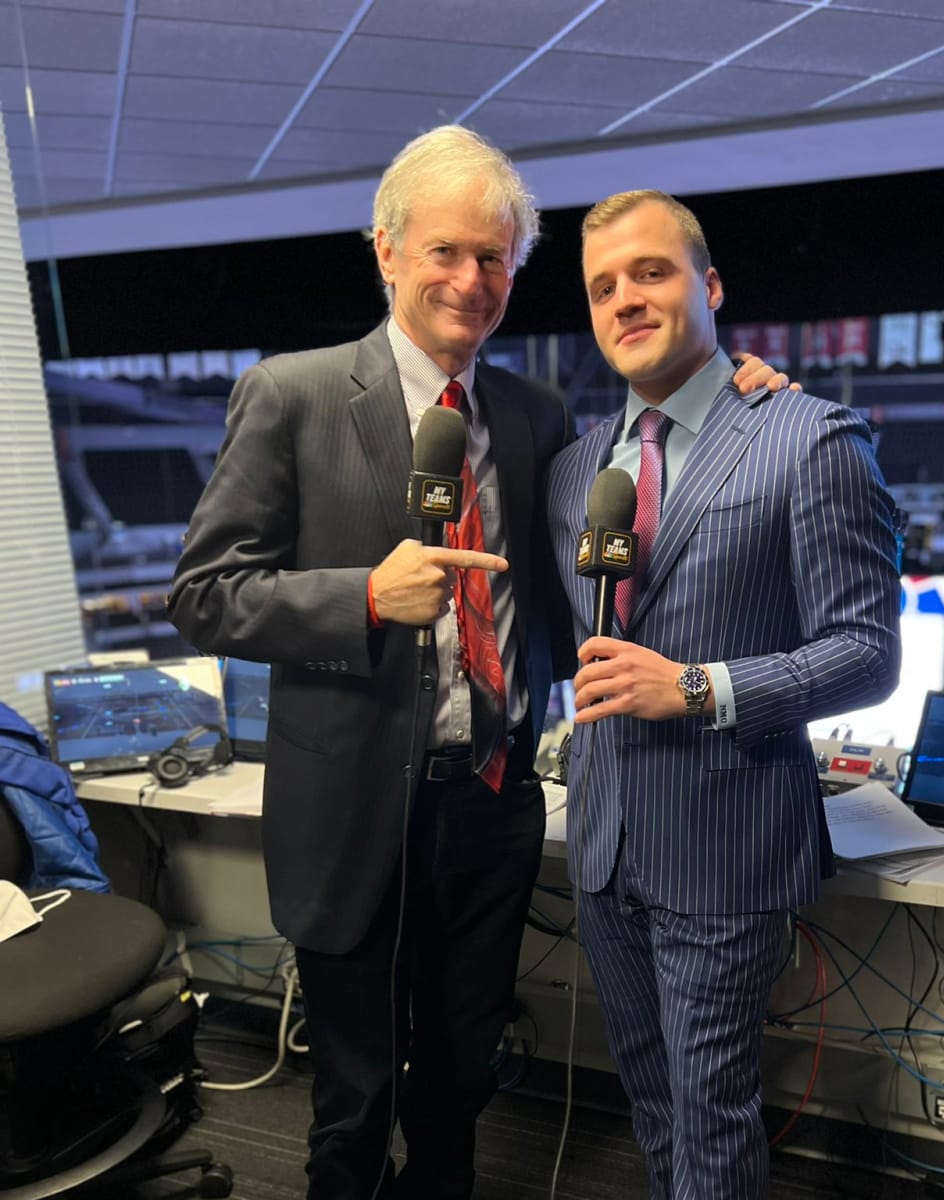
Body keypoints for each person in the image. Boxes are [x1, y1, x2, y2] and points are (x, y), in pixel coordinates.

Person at [168, 129, 792, 1200]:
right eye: (447, 252)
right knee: (353, 1102)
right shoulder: (293, 395)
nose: (470, 280)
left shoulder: (536, 415)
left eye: (494, 259)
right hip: (353, 812)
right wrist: (362, 595)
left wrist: (733, 390)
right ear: (388, 254)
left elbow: (604, 522)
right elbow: (204, 593)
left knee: (459, 1087)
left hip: (489, 807)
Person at [546, 190, 902, 1199]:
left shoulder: (810, 438)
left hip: (725, 846)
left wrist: (698, 688)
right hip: (605, 841)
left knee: (710, 1115)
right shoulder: (577, 471)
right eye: (602, 287)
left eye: (650, 273)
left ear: (708, 287)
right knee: (651, 1099)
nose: (625, 300)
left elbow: (869, 655)